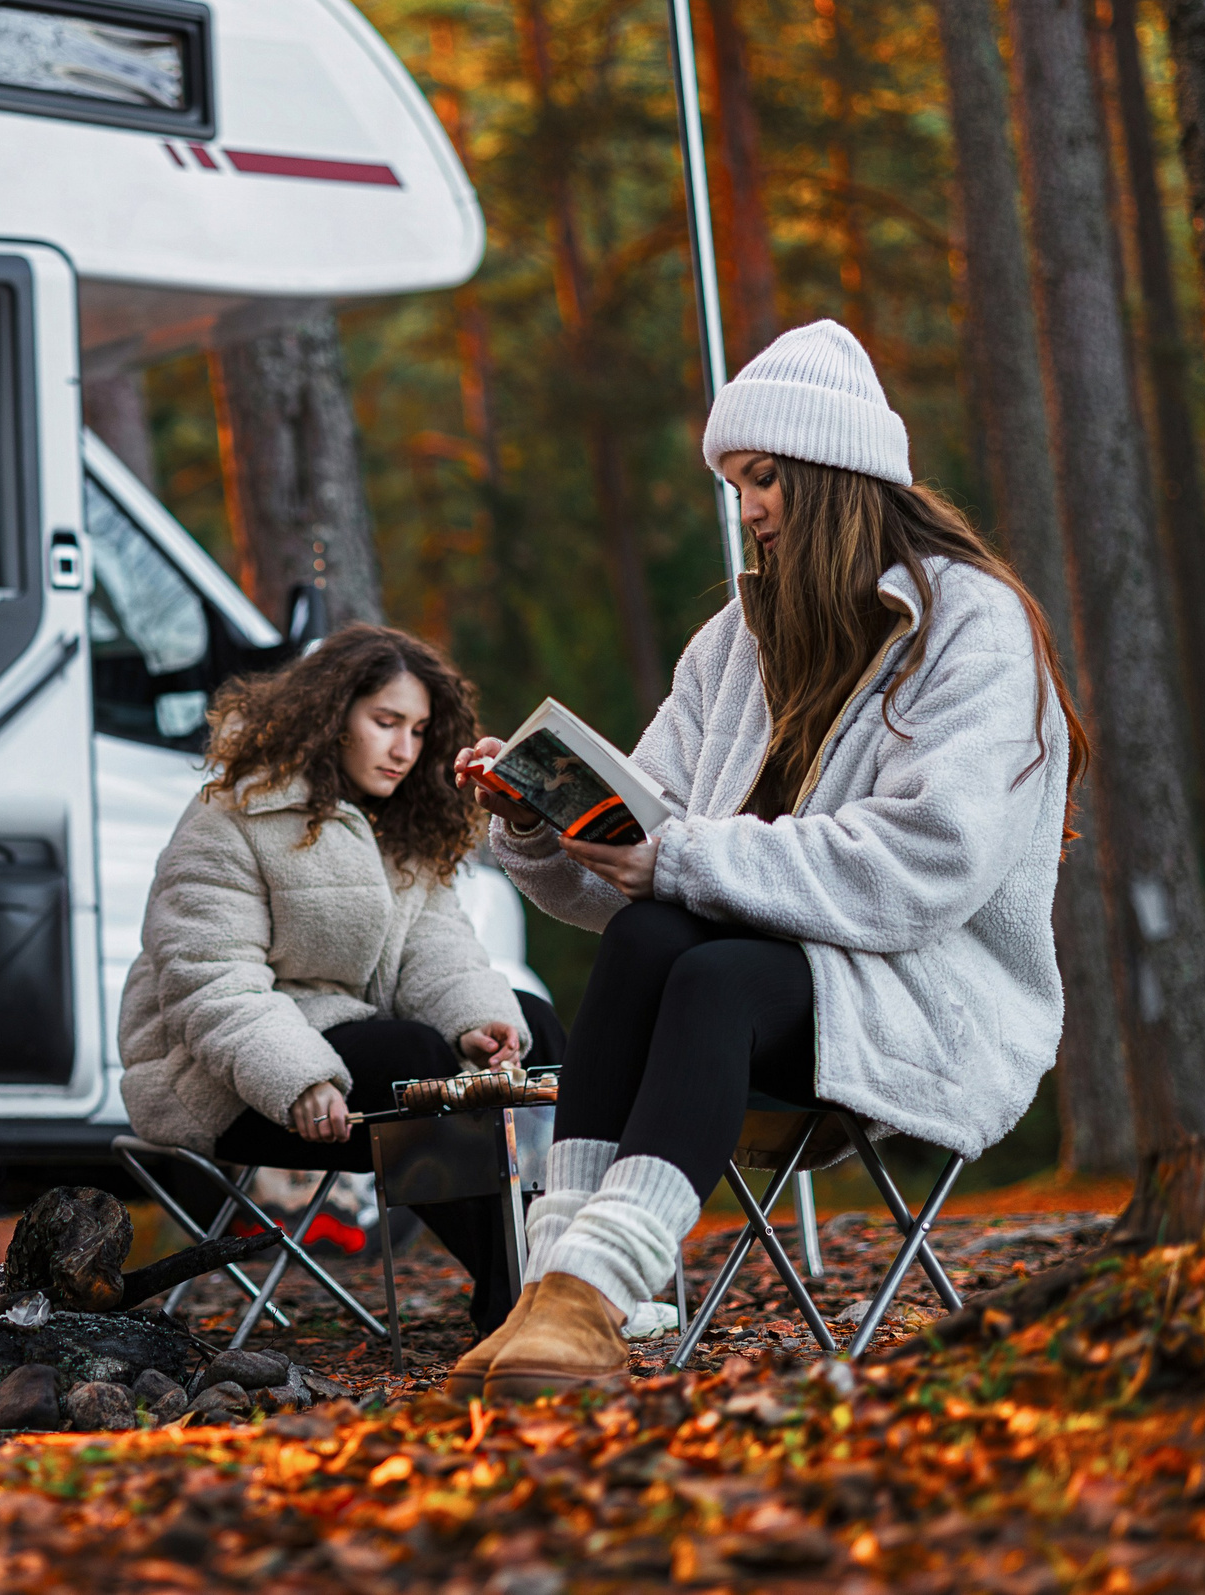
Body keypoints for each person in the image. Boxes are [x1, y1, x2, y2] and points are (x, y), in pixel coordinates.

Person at [450, 320, 1083, 1400]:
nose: (746, 508)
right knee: (659, 933)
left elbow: (929, 861)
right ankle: (555, 1290)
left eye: (763, 477)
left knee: (706, 962)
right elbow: (638, 864)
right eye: (736, 483)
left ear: (835, 475)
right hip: (752, 985)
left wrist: (683, 860)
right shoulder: (733, 643)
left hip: (920, 991)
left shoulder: (968, 626)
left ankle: (591, 1291)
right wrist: (533, 817)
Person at [116, 624, 562, 1330]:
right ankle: (520, 1294)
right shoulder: (233, 815)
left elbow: (434, 945)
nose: (404, 749)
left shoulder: (403, 824)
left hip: (353, 1053)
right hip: (222, 1078)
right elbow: (209, 979)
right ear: (330, 716)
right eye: (385, 722)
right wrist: (297, 1076)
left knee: (534, 1025)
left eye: (418, 730)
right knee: (412, 1059)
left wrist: (480, 1020)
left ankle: (558, 1275)